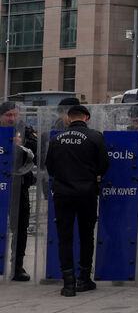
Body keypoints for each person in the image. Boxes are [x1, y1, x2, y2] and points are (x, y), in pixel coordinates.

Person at [45, 103, 109, 297]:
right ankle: (84, 279)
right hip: (86, 193)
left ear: (68, 118)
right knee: (86, 235)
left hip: (62, 194)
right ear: (86, 118)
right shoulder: (96, 137)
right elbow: (104, 165)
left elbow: (50, 168)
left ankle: (68, 284)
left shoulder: (56, 139)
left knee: (64, 237)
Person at [1, 101, 37, 280]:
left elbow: (38, 153)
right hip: (1, 183)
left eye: (15, 114)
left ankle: (17, 267)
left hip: (19, 184)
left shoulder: (26, 131)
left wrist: (23, 144)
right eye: (8, 115)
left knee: (21, 227)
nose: (12, 118)